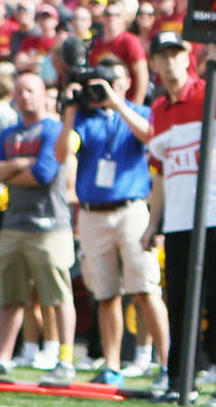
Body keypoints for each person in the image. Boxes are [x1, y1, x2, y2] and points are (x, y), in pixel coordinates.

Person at [144, 34, 216, 407]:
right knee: (179, 303)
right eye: (161, 57)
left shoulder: (209, 91)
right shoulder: (158, 108)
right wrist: (153, 224)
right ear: (154, 65)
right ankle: (181, 380)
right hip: (178, 219)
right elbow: (160, 172)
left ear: (186, 58)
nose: (169, 63)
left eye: (174, 54)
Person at [55, 55, 167, 389]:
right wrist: (71, 112)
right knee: (105, 295)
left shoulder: (140, 111)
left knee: (145, 289)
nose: (102, 90)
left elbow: (149, 136)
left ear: (124, 83)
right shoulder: (86, 119)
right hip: (93, 213)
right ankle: (113, 365)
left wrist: (117, 103)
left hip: (131, 210)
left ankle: (166, 364)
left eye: (111, 82)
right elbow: (62, 154)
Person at [0, 73, 76, 385]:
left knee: (58, 296)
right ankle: (2, 359)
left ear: (43, 94)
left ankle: (65, 361)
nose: (25, 96)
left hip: (50, 225)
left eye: (31, 90)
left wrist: (9, 170)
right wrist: (21, 164)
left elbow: (43, 174)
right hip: (14, 224)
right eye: (19, 91)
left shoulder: (54, 129)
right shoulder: (8, 134)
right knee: (10, 297)